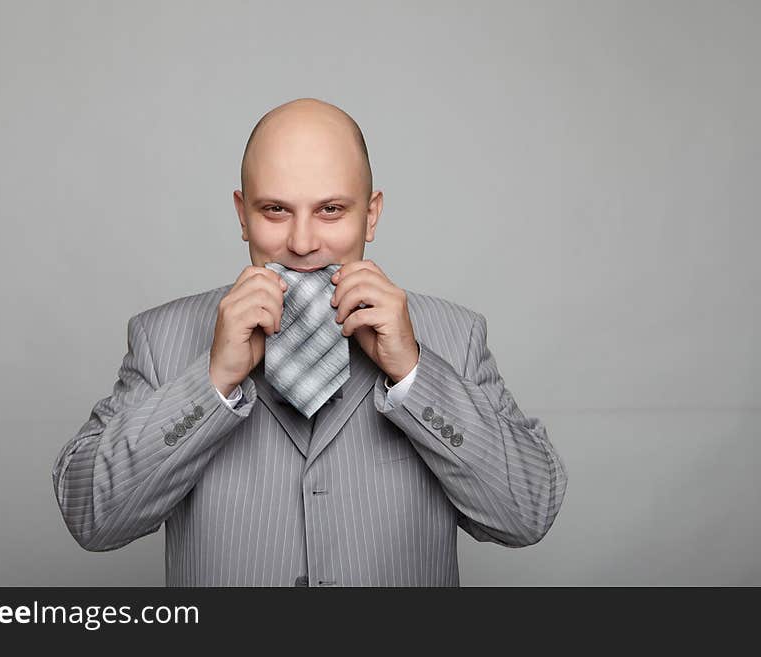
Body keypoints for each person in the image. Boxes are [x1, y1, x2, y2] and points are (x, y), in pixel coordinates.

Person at [52, 97, 568, 586]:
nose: (302, 243)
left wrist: (414, 372)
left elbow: (528, 512)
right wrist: (210, 383)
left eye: (331, 210)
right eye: (275, 210)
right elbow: (90, 517)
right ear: (242, 214)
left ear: (371, 213)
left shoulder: (454, 335)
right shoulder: (161, 338)